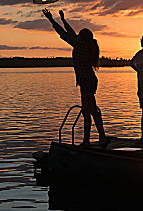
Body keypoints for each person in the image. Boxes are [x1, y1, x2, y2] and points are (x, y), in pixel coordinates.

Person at [42, 8, 109, 148]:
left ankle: (98, 138)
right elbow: (71, 33)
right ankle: (92, 139)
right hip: (89, 81)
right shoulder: (85, 45)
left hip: (86, 82)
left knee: (89, 111)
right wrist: (63, 19)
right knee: (89, 110)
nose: (76, 36)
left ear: (82, 38)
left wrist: (52, 20)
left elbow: (64, 34)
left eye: (79, 35)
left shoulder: (80, 45)